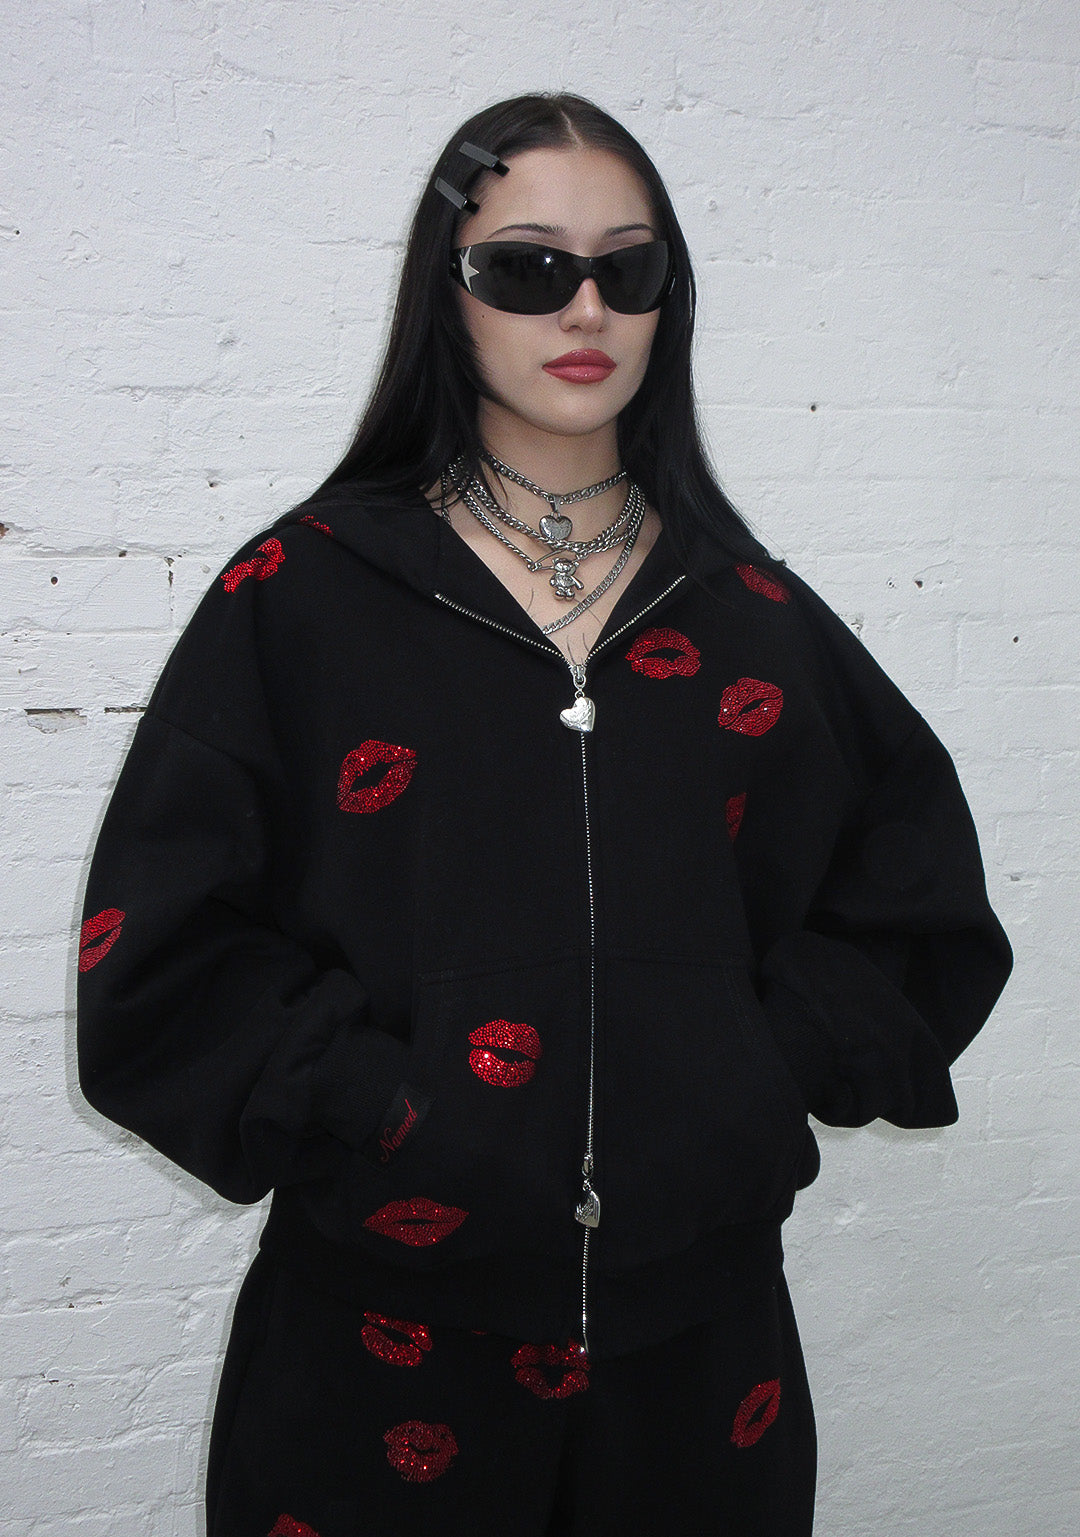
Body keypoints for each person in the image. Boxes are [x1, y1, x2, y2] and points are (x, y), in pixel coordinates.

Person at [76, 93, 1012, 1536]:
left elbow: (918, 909)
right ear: (446, 295)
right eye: (526, 267)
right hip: (380, 1353)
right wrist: (389, 1114)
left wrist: (742, 1076)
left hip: (697, 1370)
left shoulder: (750, 618)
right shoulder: (306, 599)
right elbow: (161, 958)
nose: (586, 309)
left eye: (627, 269)